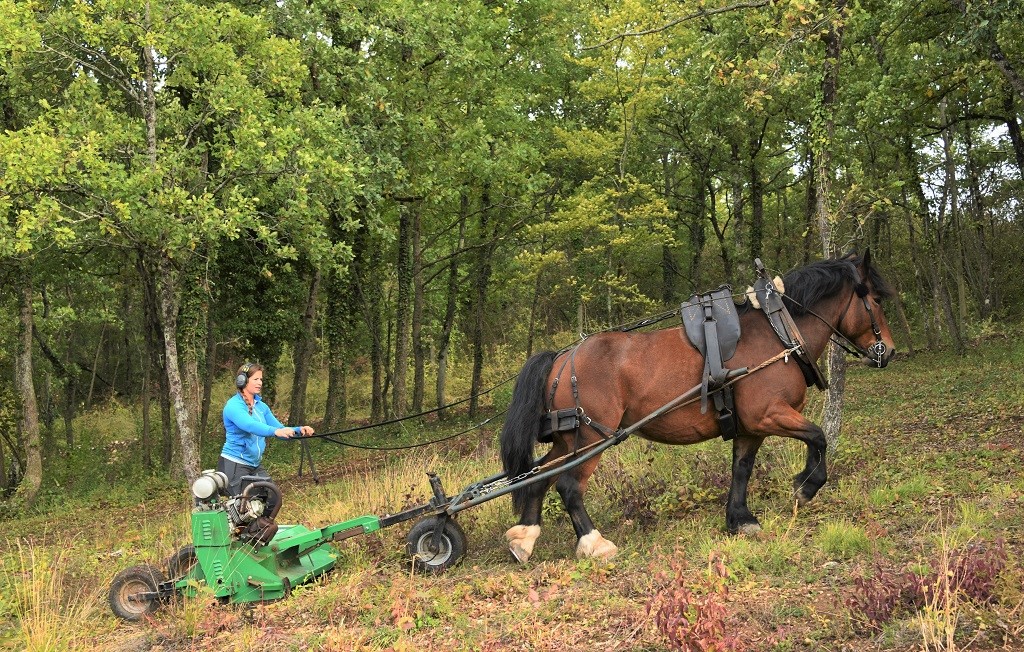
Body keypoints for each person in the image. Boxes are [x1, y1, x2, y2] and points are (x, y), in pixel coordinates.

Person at [217, 362, 315, 500]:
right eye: (255, 379)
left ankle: (265, 523)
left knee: (273, 499)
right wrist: (275, 431)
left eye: (261, 379)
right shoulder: (233, 406)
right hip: (235, 464)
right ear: (243, 381)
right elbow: (250, 425)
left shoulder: (261, 406)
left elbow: (280, 430)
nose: (260, 383)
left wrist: (299, 430)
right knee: (246, 508)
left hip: (254, 465)